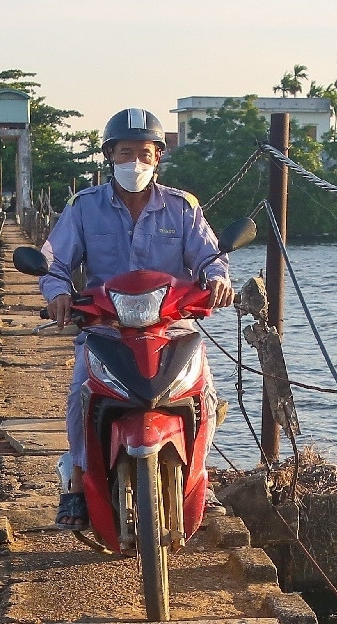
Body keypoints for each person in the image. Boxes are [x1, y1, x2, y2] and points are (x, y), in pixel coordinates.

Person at [39, 107, 235, 529]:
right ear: (109, 155)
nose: (135, 163)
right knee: (79, 395)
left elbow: (210, 257)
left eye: (144, 153)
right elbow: (54, 263)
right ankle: (76, 481)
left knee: (206, 395)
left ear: (158, 157)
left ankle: (201, 475)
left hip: (172, 323)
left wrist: (217, 279)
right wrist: (57, 295)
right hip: (106, 325)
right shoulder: (84, 207)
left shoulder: (183, 209)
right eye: (125, 152)